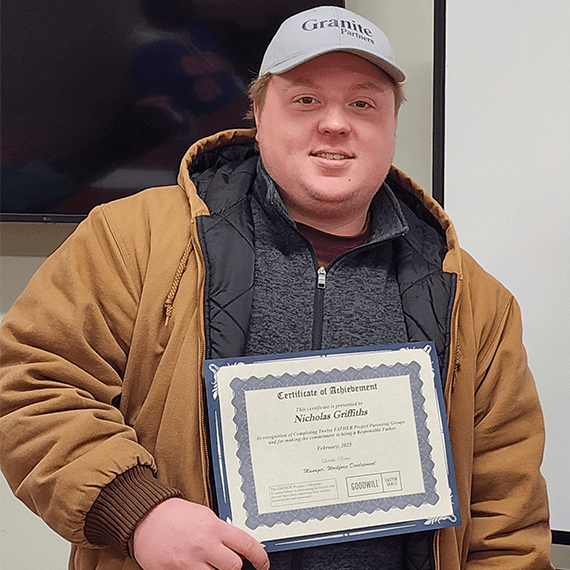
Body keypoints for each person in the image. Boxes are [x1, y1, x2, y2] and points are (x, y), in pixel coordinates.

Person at [0, 5, 554, 570]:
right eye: (306, 100)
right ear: (259, 116)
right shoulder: (130, 239)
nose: (336, 123)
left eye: (363, 103)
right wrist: (138, 513)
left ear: (390, 126)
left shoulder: (476, 299)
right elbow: (30, 385)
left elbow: (506, 516)